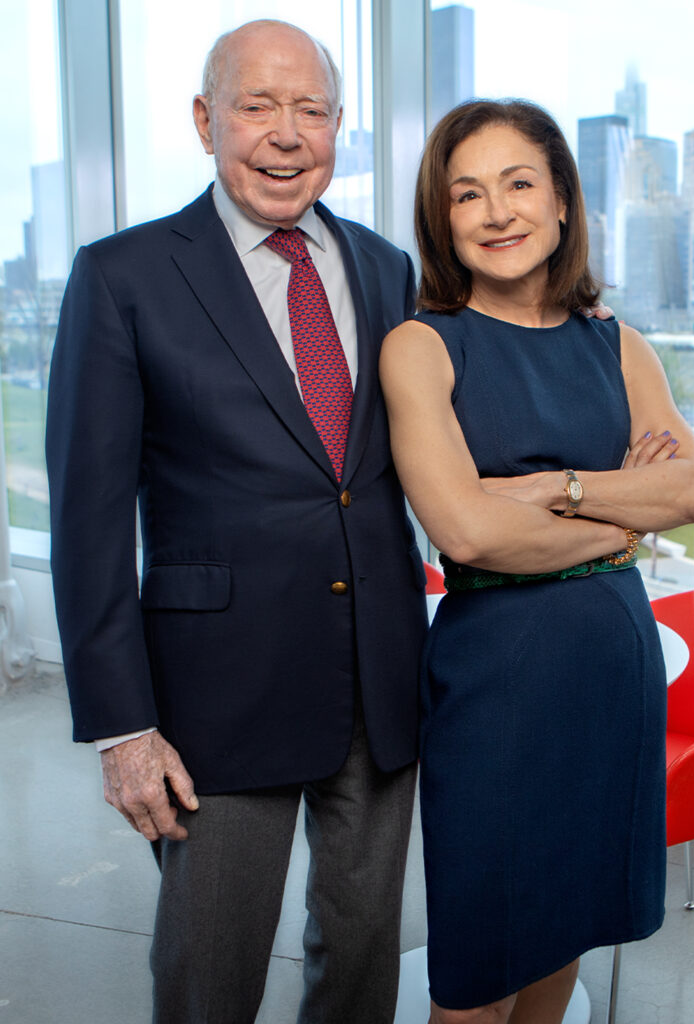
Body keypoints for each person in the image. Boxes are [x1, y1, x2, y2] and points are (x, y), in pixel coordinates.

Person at [45, 20, 429, 1024]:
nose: (287, 134)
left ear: (340, 126)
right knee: (208, 974)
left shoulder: (387, 270)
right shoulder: (123, 276)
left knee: (362, 958)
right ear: (206, 120)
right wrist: (124, 727)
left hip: (380, 684)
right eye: (259, 106)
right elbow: (88, 519)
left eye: (311, 110)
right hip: (213, 703)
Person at [379, 99, 694, 1024]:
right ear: (442, 219)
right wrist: (619, 512)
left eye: (520, 183)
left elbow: (690, 492)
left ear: (562, 200)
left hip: (612, 671)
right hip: (499, 681)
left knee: (566, 931)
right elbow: (471, 534)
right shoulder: (421, 347)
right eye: (467, 194)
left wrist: (551, 487)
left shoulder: (620, 343)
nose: (497, 211)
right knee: (480, 970)